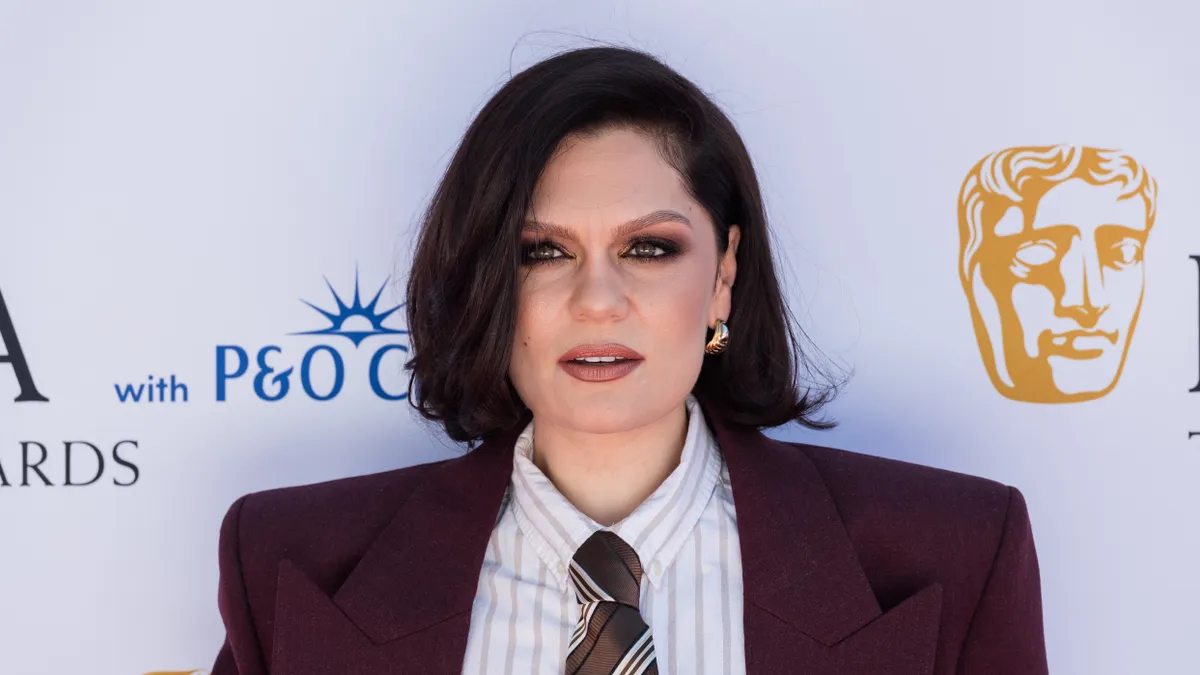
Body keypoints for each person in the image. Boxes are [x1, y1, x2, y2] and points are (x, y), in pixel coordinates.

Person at [210, 45, 1048, 675]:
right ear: (486, 280)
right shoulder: (292, 563)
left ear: (723, 275)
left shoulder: (953, 552)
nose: (598, 299)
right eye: (542, 251)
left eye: (648, 248)